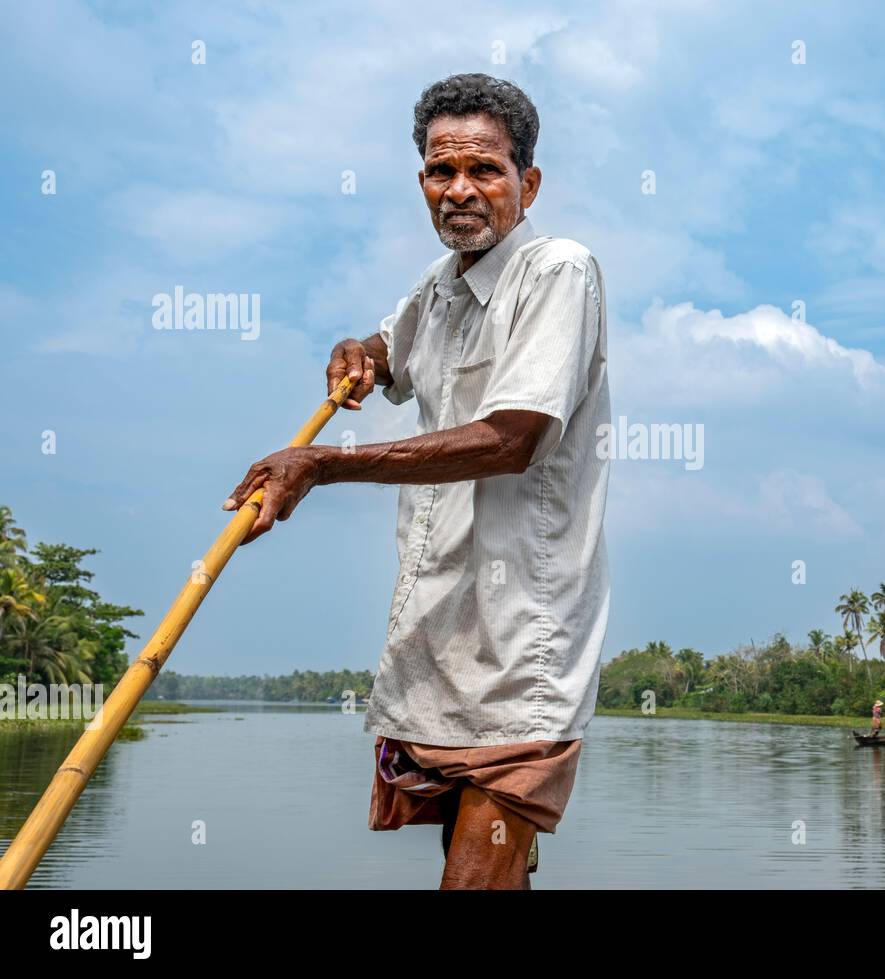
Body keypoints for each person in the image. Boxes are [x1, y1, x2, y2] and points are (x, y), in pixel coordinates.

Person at [223, 73, 610, 890]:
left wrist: (325, 464)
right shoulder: (437, 290)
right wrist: (356, 349)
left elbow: (514, 438)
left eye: (485, 170)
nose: (460, 190)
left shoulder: (558, 272)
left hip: (521, 644)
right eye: (441, 172)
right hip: (437, 636)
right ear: (423, 182)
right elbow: (386, 347)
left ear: (527, 183)